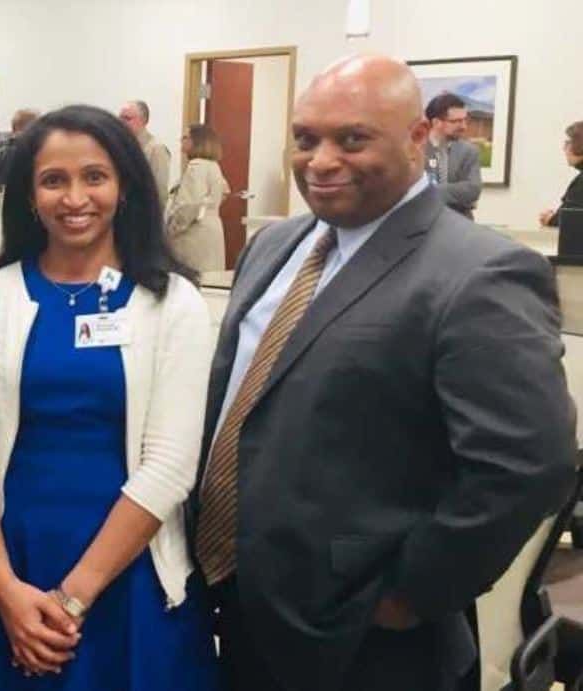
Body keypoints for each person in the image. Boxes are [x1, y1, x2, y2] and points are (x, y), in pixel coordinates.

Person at [192, 55, 577, 691]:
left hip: (360, 631)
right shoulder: (272, 246)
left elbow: (527, 463)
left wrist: (410, 594)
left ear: (418, 137)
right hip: (237, 596)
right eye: (306, 139)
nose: (320, 160)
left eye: (352, 138)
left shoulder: (479, 272)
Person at [0, 104, 219, 691]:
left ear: (125, 187)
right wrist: (6, 588)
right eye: (53, 180)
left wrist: (72, 600)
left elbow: (170, 466)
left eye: (95, 176)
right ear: (29, 196)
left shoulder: (174, 303)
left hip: (128, 576)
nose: (75, 196)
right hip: (5, 568)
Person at [165, 125, 230, 271]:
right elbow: (225, 191)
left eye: (186, 137)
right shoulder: (213, 166)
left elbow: (188, 206)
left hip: (194, 235)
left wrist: (170, 230)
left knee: (191, 283)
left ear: (198, 141)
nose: (181, 140)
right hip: (212, 231)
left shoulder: (196, 166)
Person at [423, 92, 482, 218]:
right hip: (421, 224)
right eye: (457, 121)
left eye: (465, 120)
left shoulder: (469, 151)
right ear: (436, 122)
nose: (464, 127)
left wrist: (428, 192)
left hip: (460, 225)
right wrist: (457, 194)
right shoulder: (414, 150)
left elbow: (472, 189)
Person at [118, 100, 171, 207]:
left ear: (144, 121)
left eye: (127, 118)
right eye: (120, 118)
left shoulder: (156, 149)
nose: (121, 122)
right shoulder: (120, 146)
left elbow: (159, 191)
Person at [540, 120, 583, 227]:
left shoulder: (581, 183)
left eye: (568, 143)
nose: (564, 148)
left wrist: (550, 219)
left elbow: (569, 220)